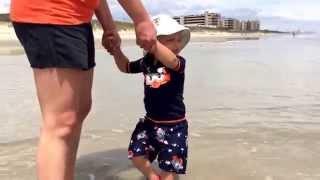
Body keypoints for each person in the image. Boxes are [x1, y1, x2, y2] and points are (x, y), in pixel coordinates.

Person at [10, 0, 156, 180]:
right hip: (51, 12)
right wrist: (141, 19)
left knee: (79, 110)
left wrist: (109, 26)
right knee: (61, 122)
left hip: (77, 15)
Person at [110, 15, 190, 180]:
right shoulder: (147, 62)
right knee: (136, 153)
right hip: (150, 123)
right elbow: (125, 67)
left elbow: (171, 59)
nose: (176, 44)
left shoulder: (178, 63)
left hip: (174, 126)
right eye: (170, 40)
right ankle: (152, 177)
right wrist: (116, 51)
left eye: (177, 40)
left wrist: (153, 44)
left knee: (169, 168)